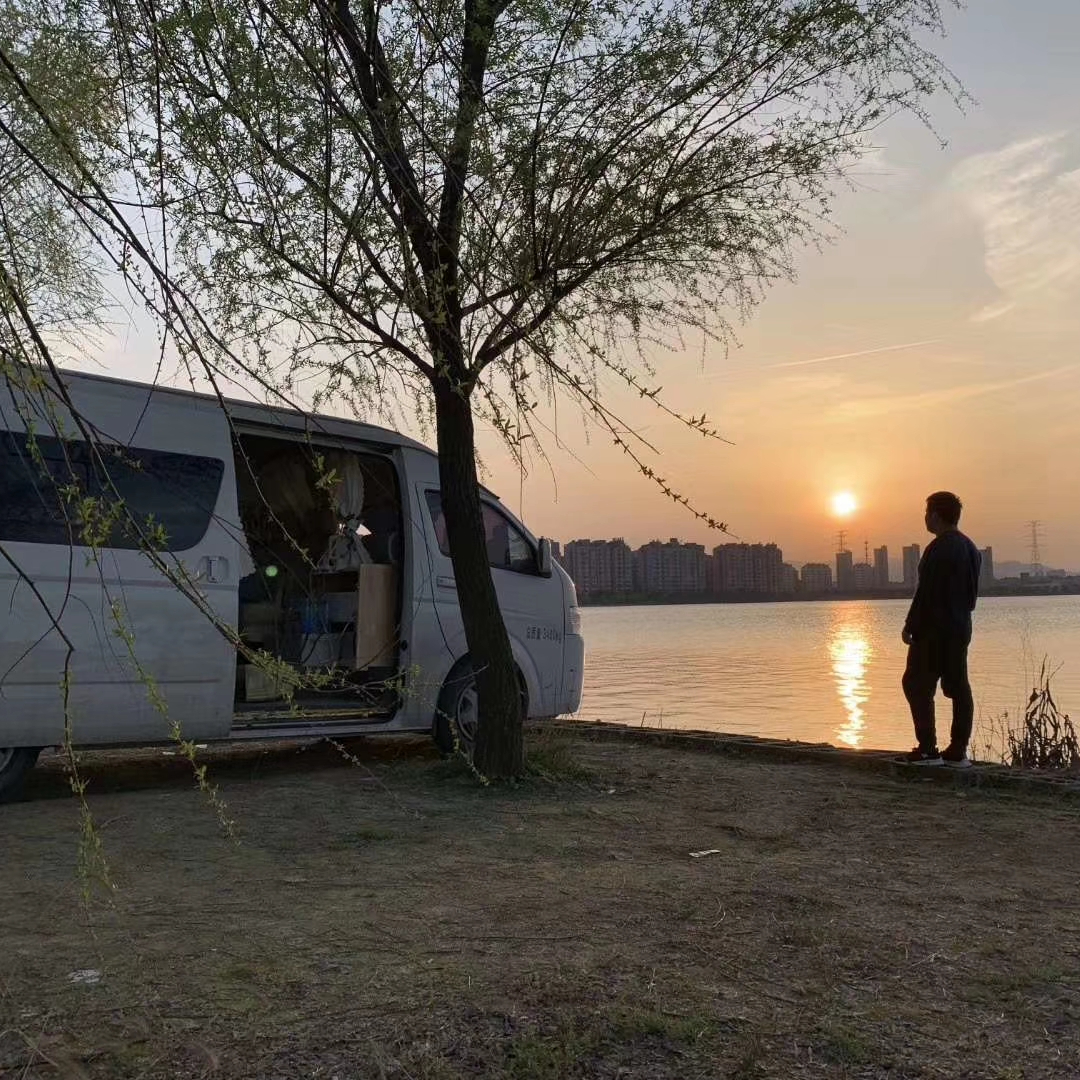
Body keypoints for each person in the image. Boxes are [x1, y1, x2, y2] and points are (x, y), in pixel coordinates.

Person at [900, 492, 982, 767]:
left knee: (916, 683)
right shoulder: (970, 548)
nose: (925, 518)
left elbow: (926, 593)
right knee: (958, 686)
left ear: (935, 515)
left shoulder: (938, 548)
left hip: (934, 629)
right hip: (960, 626)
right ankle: (958, 750)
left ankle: (927, 748)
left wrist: (910, 625)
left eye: (927, 512)